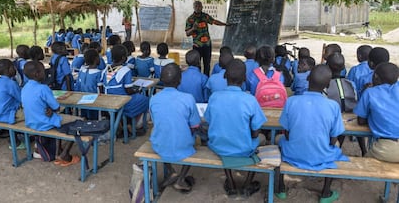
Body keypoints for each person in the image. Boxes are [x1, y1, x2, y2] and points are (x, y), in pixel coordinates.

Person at [276, 64, 349, 202]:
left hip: (293, 153)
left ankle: (281, 188)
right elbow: (334, 138)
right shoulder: (333, 106)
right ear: (328, 84)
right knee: (337, 145)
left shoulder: (291, 101)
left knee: (278, 141)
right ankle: (325, 192)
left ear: (308, 78)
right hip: (322, 154)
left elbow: (286, 132)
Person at [204, 59, 267, 197]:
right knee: (262, 139)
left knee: (224, 139)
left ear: (225, 76)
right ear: (244, 78)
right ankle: (247, 184)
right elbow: (256, 132)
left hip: (218, 146)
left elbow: (209, 121)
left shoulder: (214, 97)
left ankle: (231, 183)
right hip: (243, 149)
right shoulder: (250, 100)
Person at [150, 63, 201, 192]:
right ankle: (181, 178)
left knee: (164, 132)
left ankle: (171, 171)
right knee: (196, 139)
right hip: (183, 145)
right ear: (180, 80)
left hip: (159, 144)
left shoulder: (154, 99)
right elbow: (195, 125)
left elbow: (157, 121)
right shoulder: (188, 98)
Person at [22, 61, 79, 166]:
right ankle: (64, 155)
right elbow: (57, 107)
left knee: (61, 119)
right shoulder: (43, 88)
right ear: (37, 74)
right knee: (78, 122)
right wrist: (52, 109)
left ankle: (57, 150)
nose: (46, 73)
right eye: (44, 71)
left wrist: (50, 109)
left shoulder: (25, 88)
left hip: (31, 122)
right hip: (45, 123)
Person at [354, 62, 399, 162]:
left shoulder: (370, 92)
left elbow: (361, 121)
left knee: (362, 162)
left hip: (387, 148)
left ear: (375, 77)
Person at [326, 53, 366, 157]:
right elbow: (355, 99)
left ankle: (336, 147)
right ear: (343, 67)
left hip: (334, 117)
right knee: (351, 119)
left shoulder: (326, 85)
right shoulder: (350, 83)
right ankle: (363, 149)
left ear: (327, 66)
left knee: (336, 122)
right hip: (351, 116)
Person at [105, 44, 149, 135]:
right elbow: (129, 91)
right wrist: (137, 90)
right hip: (122, 101)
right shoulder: (125, 70)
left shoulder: (106, 69)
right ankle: (133, 125)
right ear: (123, 58)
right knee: (145, 100)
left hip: (108, 99)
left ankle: (126, 123)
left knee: (135, 99)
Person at [185, 1, 229, 76]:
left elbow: (214, 21)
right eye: (196, 6)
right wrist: (193, 29)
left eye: (199, 6)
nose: (198, 8)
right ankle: (198, 79)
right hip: (197, 45)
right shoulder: (190, 19)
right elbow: (187, 34)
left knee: (207, 64)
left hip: (207, 44)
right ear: (194, 7)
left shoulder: (205, 16)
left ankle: (206, 80)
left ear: (202, 7)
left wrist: (225, 24)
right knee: (197, 65)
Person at [0, 59, 25, 149]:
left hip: (0, 114)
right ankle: (20, 142)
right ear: (8, 69)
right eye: (13, 67)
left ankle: (19, 137)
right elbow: (22, 99)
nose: (15, 69)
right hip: (10, 115)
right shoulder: (11, 83)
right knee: (36, 112)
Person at [74, 49, 107, 120]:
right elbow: (101, 89)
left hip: (82, 100)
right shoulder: (99, 73)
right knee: (95, 119)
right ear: (96, 59)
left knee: (85, 117)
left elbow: (78, 86)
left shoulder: (81, 71)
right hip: (95, 101)